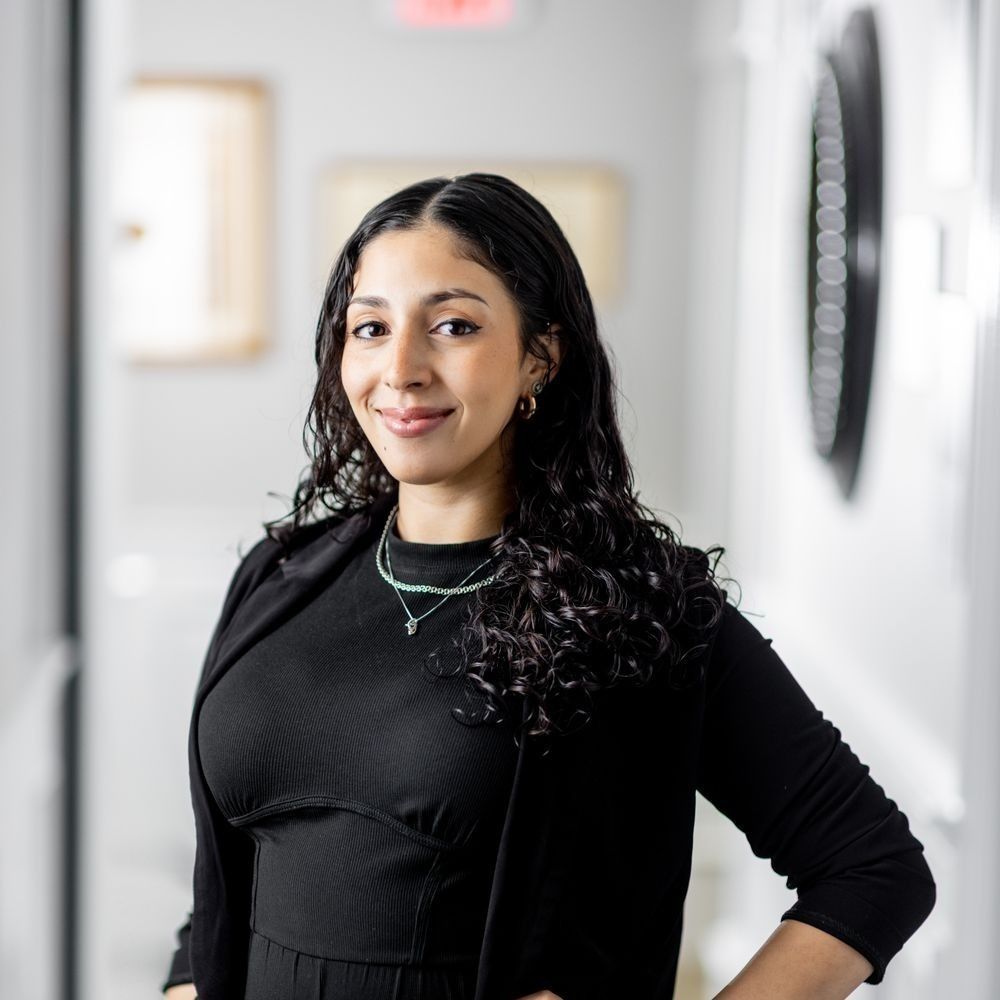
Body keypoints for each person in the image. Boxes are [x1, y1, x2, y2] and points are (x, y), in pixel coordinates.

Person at [160, 173, 935, 1000]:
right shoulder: (278, 577)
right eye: (371, 327)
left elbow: (872, 866)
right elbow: (230, 872)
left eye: (453, 325)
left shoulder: (637, 607)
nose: (402, 369)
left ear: (541, 355)